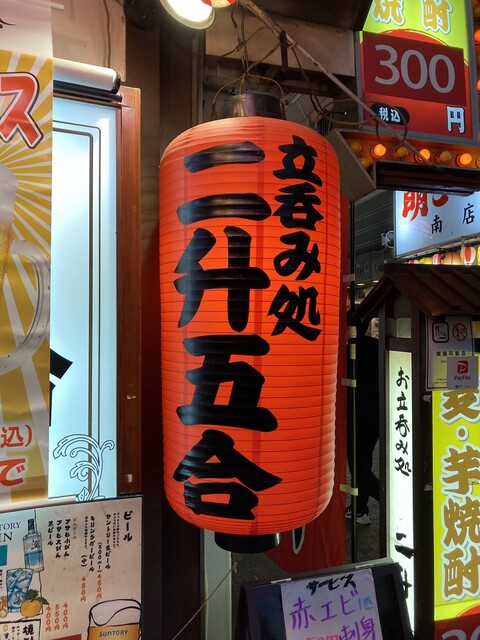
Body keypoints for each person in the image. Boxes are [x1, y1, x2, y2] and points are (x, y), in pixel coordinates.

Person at [346, 317, 380, 525]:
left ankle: (388, 497)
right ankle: (359, 509)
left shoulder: (346, 352)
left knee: (359, 466)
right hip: (376, 416)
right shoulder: (376, 346)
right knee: (363, 462)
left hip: (355, 417)